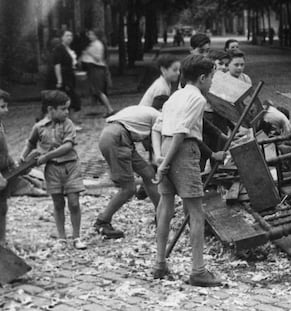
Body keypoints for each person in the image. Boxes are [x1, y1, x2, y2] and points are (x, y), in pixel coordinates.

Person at [151, 54, 223, 287]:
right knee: (195, 212)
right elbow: (182, 132)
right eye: (211, 77)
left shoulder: (174, 96)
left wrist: (159, 156)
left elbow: (157, 127)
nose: (212, 82)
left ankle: (160, 264)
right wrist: (165, 163)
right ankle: (198, 271)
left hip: (165, 146)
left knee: (165, 206)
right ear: (202, 78)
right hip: (182, 150)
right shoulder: (198, 99)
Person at [20, 90, 87, 250]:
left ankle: (77, 236)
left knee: (74, 202)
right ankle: (62, 238)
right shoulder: (39, 127)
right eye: (63, 109)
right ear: (51, 110)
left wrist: (46, 156)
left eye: (67, 109)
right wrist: (23, 157)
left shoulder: (68, 124)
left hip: (71, 166)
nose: (67, 112)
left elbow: (68, 145)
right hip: (52, 170)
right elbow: (30, 143)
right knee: (58, 203)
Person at [94, 105, 162, 239]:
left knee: (148, 174)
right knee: (128, 188)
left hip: (119, 137)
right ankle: (102, 222)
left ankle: (161, 214)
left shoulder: (150, 112)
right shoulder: (160, 119)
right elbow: (156, 145)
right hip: (117, 138)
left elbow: (150, 146)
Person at [53, 30, 82, 130]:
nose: (69, 37)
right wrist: (59, 80)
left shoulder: (69, 49)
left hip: (71, 77)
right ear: (62, 37)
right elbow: (57, 65)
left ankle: (70, 123)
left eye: (71, 35)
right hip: (65, 78)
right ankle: (70, 123)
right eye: (67, 35)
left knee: (71, 100)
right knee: (71, 100)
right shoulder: (59, 49)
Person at [81, 29, 114, 117]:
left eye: (91, 34)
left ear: (96, 35)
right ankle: (105, 108)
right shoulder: (94, 44)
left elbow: (98, 58)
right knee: (96, 90)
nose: (89, 36)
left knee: (98, 90)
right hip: (93, 69)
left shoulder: (97, 45)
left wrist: (89, 53)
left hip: (96, 69)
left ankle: (109, 109)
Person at [0, 90, 15, 247]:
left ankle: (1, 240)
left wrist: (11, 163)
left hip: (4, 172)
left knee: (2, 207)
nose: (6, 110)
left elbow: (3, 149)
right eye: (2, 106)